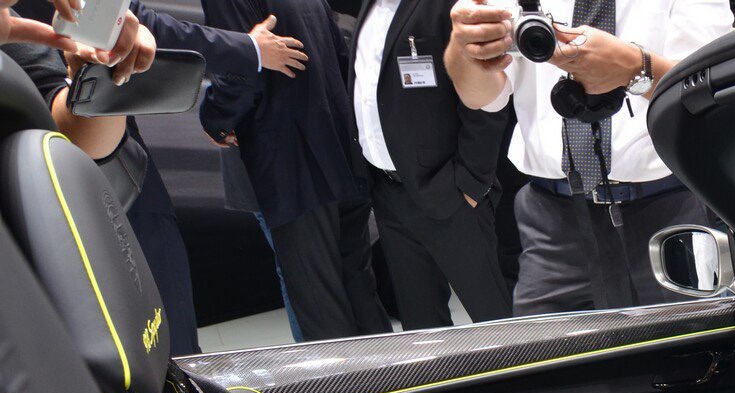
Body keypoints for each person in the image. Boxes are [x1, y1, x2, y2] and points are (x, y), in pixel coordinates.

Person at [7, 0, 306, 354]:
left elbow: (72, 124)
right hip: (63, 238)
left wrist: (104, 74)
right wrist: (248, 49)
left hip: (113, 204)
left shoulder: (17, 33)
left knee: (168, 349)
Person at [445, 0, 733, 314]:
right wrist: (464, 51)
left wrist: (634, 68)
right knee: (545, 345)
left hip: (666, 213)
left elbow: (711, 90)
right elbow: (482, 96)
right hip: (551, 223)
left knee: (689, 342)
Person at [201, 0, 392, 342]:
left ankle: (343, 378)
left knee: (317, 298)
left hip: (289, 161)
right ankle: (391, 373)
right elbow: (342, 58)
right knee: (356, 284)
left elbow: (238, 69)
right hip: (340, 148)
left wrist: (215, 119)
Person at [352, 0, 511, 329]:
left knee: (497, 319)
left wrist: (470, 182)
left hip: (450, 191)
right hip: (389, 193)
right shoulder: (368, 8)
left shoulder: (447, 6)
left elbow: (488, 98)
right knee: (421, 325)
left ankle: (525, 367)